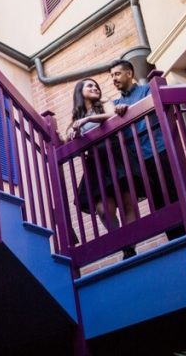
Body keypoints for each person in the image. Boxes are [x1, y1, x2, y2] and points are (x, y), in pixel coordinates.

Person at [67, 78, 145, 259]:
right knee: (103, 209)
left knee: (127, 202)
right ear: (80, 91)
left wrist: (88, 118)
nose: (95, 88)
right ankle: (122, 242)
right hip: (95, 161)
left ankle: (130, 247)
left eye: (96, 86)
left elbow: (111, 115)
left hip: (115, 153)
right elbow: (67, 138)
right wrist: (73, 134)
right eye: (90, 86)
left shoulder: (103, 101)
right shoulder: (76, 117)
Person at [109, 59, 186, 241]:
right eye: (111, 76)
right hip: (137, 163)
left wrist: (129, 110)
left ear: (129, 73)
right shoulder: (114, 104)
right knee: (158, 204)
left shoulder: (147, 90)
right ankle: (177, 242)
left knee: (174, 196)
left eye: (117, 74)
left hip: (158, 150)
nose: (114, 79)